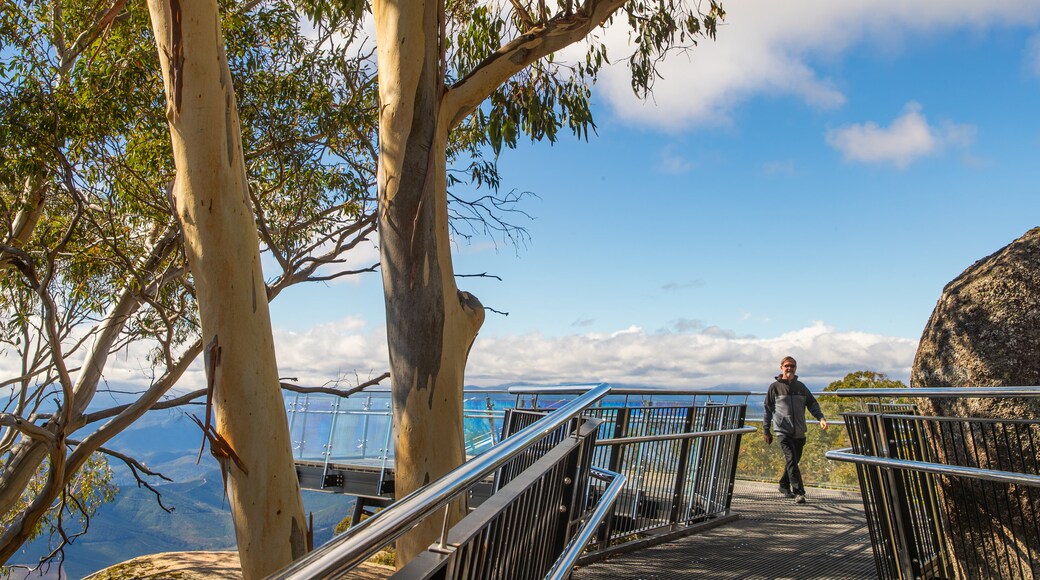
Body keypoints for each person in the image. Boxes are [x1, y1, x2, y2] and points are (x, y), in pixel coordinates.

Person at [762, 356, 827, 504]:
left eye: (792, 366)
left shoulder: (801, 387)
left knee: (793, 461)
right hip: (782, 431)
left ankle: (783, 485)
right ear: (781, 367)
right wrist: (766, 431)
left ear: (796, 368)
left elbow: (812, 404)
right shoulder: (774, 387)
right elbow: (767, 410)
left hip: (799, 432)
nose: (789, 368)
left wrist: (821, 418)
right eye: (786, 366)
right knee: (791, 459)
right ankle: (799, 492)